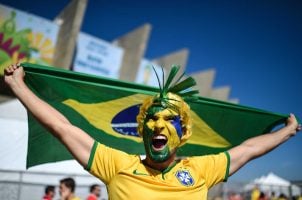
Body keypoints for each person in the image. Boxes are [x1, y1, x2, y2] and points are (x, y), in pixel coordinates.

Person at [4, 63, 301, 199]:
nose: (158, 125)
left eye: (169, 119)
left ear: (183, 132)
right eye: (152, 119)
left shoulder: (201, 168)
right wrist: (18, 86)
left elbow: (249, 149)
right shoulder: (117, 165)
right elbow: (61, 126)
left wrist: (287, 132)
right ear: (142, 130)